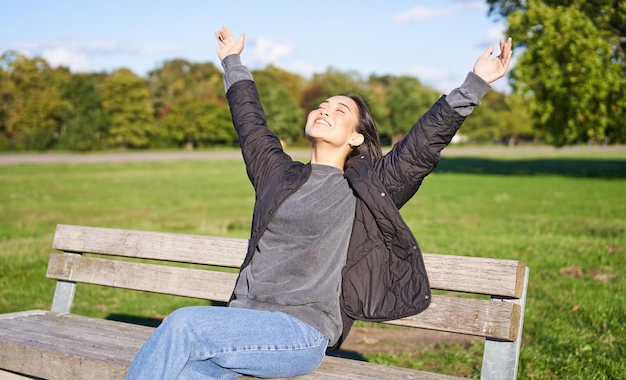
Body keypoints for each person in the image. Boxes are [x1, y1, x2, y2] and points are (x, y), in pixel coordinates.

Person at [125, 25, 513, 380]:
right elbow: (250, 124)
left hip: (298, 332)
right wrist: (232, 61)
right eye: (322, 105)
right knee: (192, 373)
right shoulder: (278, 176)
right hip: (241, 324)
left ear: (357, 138)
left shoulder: (366, 187)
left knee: (183, 326)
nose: (324, 109)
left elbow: (420, 148)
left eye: (340, 110)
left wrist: (474, 85)